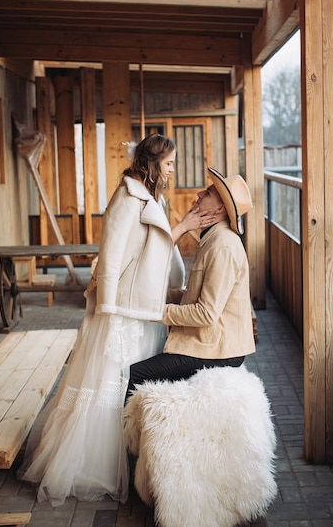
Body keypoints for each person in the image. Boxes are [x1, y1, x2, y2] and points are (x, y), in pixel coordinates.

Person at [17, 133, 214, 507]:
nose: (173, 170)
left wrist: (185, 227)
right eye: (169, 163)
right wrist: (106, 304)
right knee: (112, 378)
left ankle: (127, 454)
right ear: (153, 164)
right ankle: (90, 465)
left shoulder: (152, 195)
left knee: (130, 380)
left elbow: (153, 250)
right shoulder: (127, 196)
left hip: (144, 307)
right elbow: (111, 253)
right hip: (121, 308)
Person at [125, 166, 256, 400]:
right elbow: (196, 295)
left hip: (218, 348)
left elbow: (206, 314)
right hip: (212, 341)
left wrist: (153, 310)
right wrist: (156, 295)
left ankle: (126, 436)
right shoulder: (214, 236)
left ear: (221, 208)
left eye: (207, 194)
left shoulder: (223, 246)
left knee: (132, 375)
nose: (198, 195)